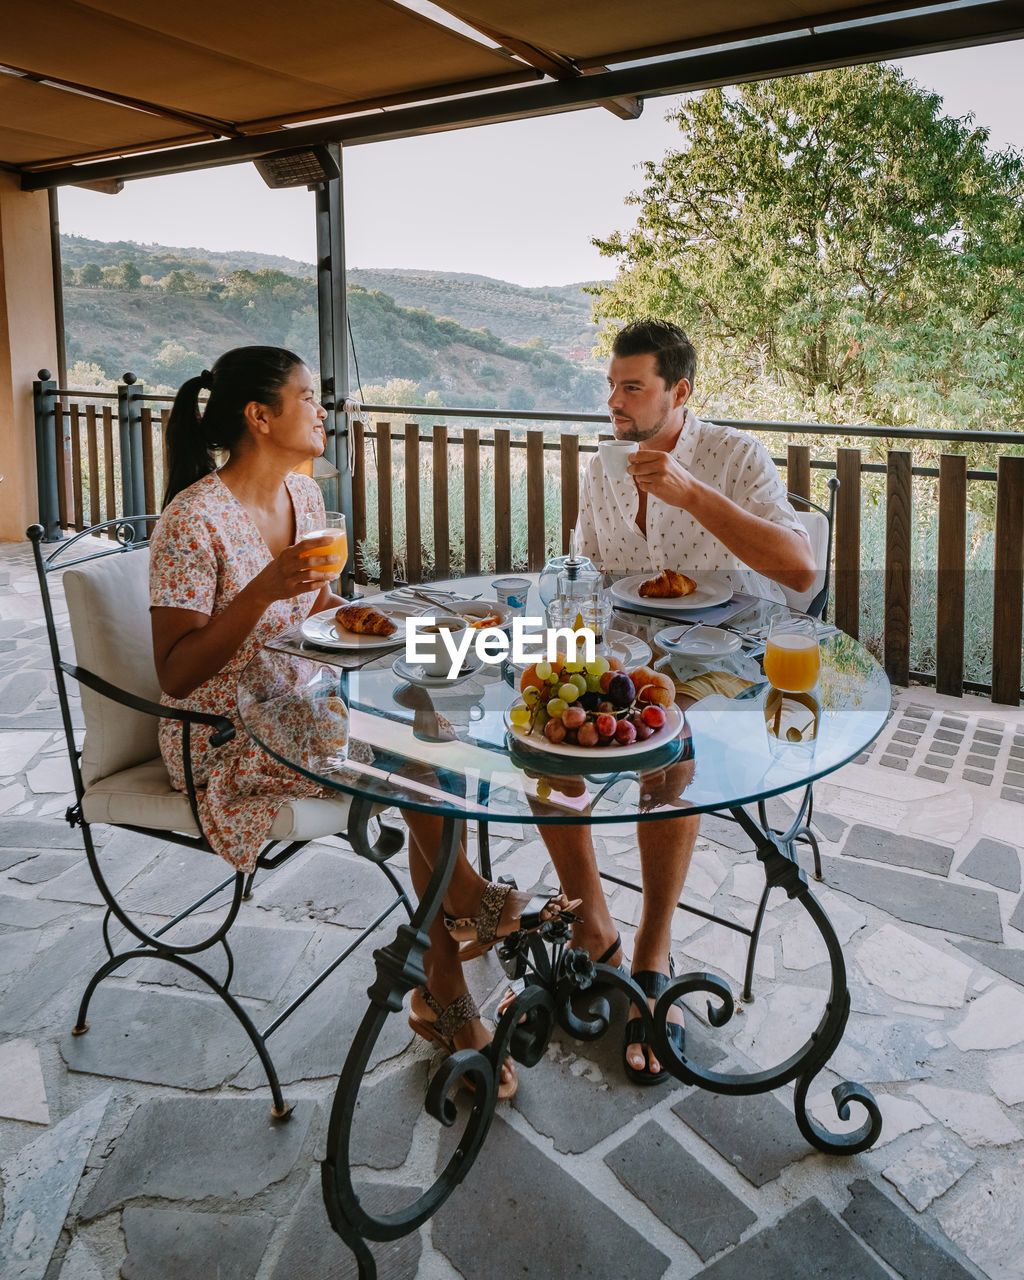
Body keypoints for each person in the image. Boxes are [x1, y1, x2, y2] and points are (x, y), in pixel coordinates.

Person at [149, 345, 572, 1102]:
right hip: (219, 733)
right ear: (260, 416)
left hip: (304, 703)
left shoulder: (306, 501)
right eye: (308, 397)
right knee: (408, 754)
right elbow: (175, 672)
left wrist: (398, 628)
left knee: (427, 726)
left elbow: (318, 619)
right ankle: (468, 922)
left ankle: (447, 991)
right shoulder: (192, 519)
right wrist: (261, 589)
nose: (322, 410)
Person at [539, 319, 816, 1085]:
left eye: (632, 388)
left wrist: (691, 494)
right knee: (543, 746)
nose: (614, 403)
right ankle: (596, 936)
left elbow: (800, 571)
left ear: (679, 391)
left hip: (725, 664)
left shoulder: (732, 457)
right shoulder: (603, 469)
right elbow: (587, 571)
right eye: (612, 386)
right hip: (625, 659)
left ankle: (653, 956)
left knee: (673, 753)